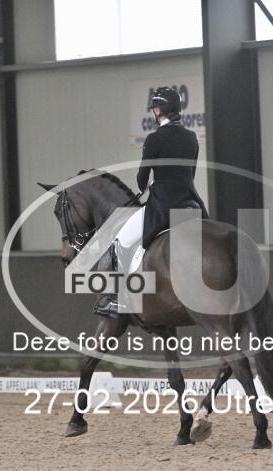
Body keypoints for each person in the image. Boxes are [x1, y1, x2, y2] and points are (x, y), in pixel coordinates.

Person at [94, 86, 208, 318]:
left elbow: (142, 179)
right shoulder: (191, 137)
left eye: (154, 108)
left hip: (163, 207)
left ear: (159, 111)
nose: (153, 112)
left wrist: (145, 187)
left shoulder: (154, 139)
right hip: (191, 205)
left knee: (120, 241)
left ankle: (119, 300)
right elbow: (191, 174)